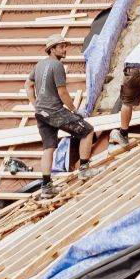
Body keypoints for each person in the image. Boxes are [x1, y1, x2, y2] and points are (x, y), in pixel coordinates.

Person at [28, 39, 94, 183]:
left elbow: (28, 85)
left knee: (48, 147)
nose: (64, 49)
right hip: (54, 112)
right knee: (87, 131)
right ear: (52, 49)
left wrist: (36, 105)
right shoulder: (57, 66)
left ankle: (46, 185)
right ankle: (84, 170)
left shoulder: (39, 64)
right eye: (61, 47)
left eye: (65, 47)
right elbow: (62, 92)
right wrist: (74, 110)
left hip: (41, 113)